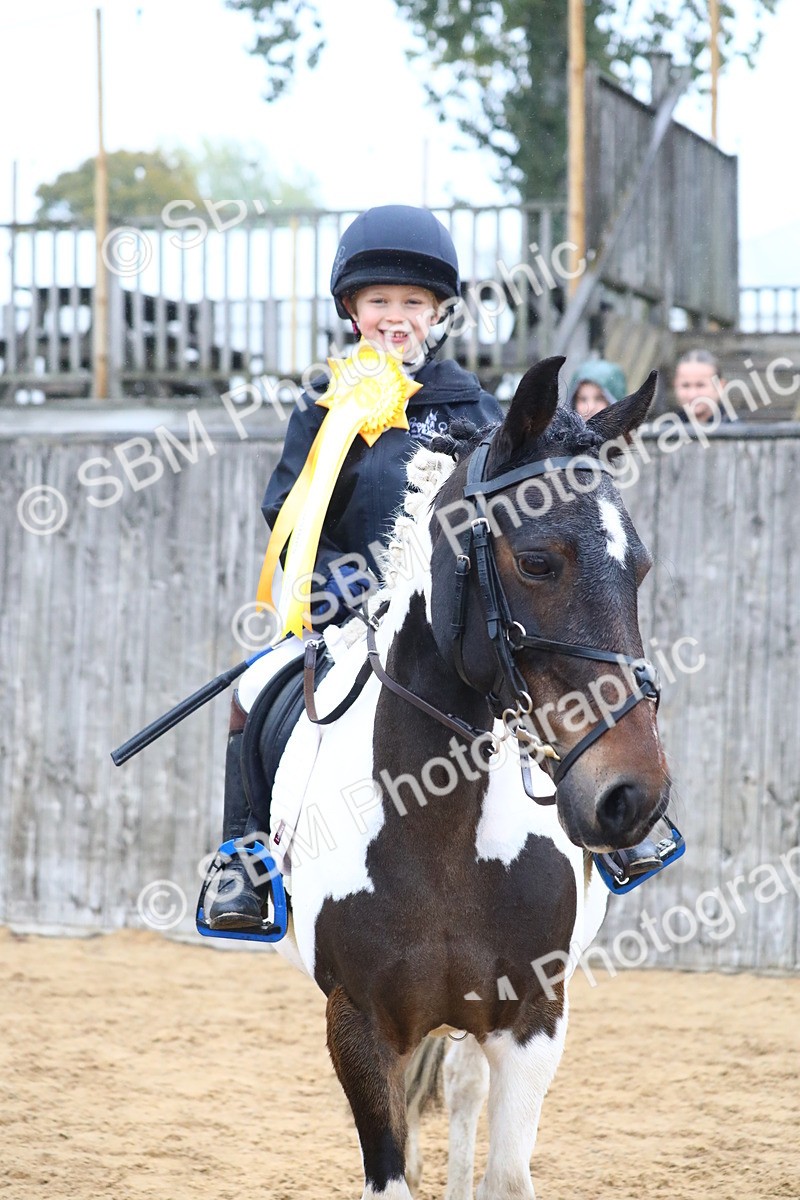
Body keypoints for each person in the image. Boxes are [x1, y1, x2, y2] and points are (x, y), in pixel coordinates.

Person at [207, 204, 503, 929]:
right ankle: (243, 864)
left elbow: (504, 510)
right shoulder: (324, 403)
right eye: (379, 302)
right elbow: (287, 504)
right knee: (254, 687)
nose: (395, 316)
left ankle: (606, 836)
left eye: (412, 303)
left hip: (452, 612)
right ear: (353, 310)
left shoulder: (473, 408)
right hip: (346, 609)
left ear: (438, 313)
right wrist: (340, 578)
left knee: (550, 683)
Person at [673, 348, 726, 425]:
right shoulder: (663, 431)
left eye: (700, 385)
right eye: (685, 385)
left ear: (720, 386)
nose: (692, 394)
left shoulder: (739, 433)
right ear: (675, 385)